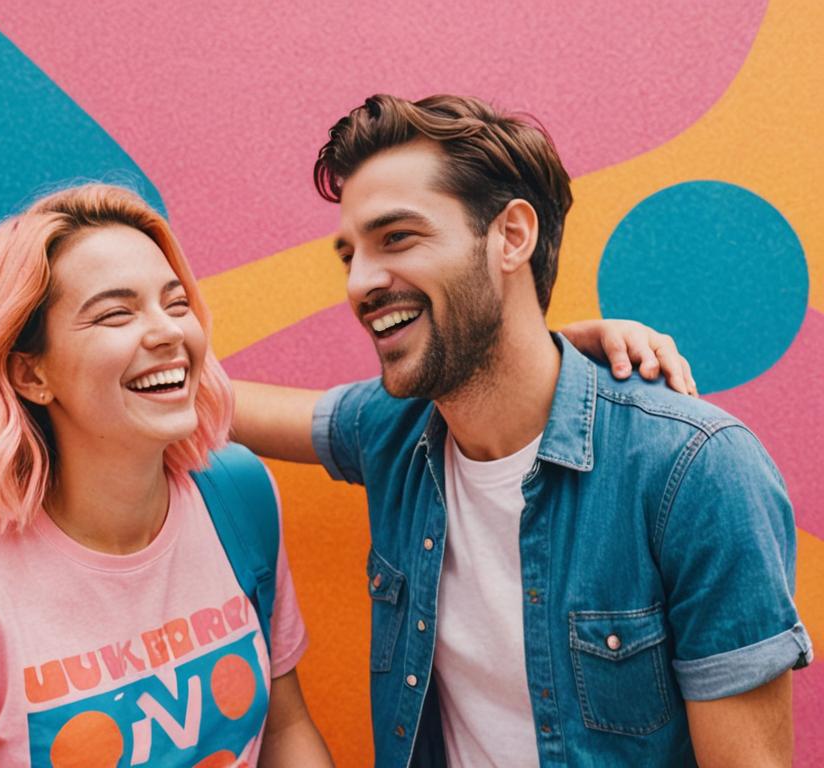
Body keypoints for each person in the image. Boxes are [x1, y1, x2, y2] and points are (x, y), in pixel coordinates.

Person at [232, 95, 812, 767]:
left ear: (511, 236)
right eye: (349, 255)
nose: (360, 283)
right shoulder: (394, 431)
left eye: (397, 238)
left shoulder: (695, 470)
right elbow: (212, 406)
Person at [0, 184, 333, 767]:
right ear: (31, 375)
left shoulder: (238, 494)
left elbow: (286, 730)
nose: (168, 333)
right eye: (116, 314)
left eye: (176, 304)